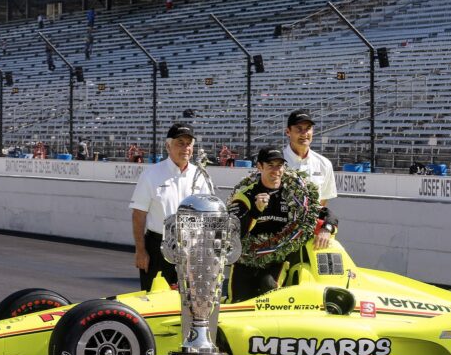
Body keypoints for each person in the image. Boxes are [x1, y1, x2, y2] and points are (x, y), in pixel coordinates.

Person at [227, 147, 321, 303]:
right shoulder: (245, 194)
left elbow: (321, 212)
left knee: (269, 287)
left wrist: (327, 228)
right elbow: (235, 232)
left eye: (279, 165)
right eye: (270, 165)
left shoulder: (294, 194)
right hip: (245, 260)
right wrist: (256, 211)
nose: (276, 170)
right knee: (238, 302)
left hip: (276, 260)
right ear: (259, 167)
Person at [129, 123, 211, 290]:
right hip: (158, 247)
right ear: (168, 146)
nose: (185, 148)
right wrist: (140, 251)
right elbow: (138, 215)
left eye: (189, 144)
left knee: (190, 302)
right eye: (180, 142)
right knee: (153, 301)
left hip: (191, 247)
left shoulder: (200, 176)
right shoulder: (151, 175)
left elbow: (208, 215)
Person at [282, 111, 338, 249]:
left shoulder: (324, 164)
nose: (304, 133)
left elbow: (322, 203)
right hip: (279, 235)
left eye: (308, 129)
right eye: (299, 129)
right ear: (288, 132)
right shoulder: (275, 163)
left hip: (310, 237)